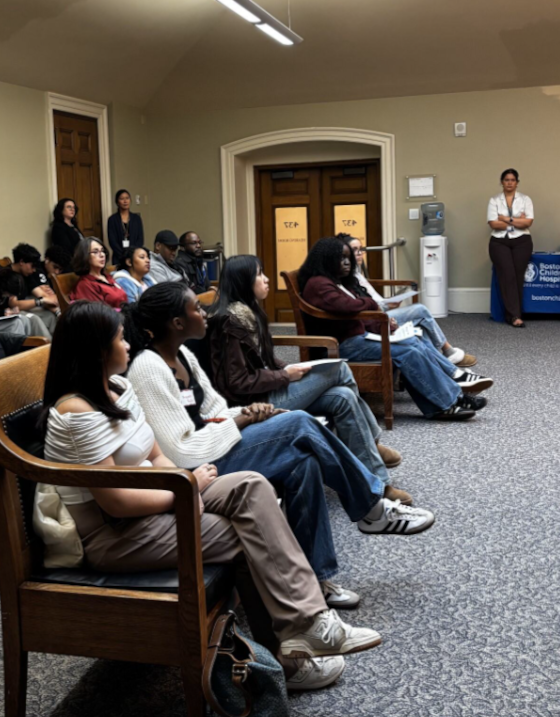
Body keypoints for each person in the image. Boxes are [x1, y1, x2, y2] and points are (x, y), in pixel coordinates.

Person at [43, 301, 386, 691]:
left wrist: (182, 486)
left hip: (155, 501)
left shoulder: (117, 387)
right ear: (97, 350)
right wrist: (184, 490)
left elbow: (155, 454)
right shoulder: (76, 412)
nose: (128, 345)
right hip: (115, 535)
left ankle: (308, 626)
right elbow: (116, 503)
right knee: (249, 532)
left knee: (251, 485)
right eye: (120, 339)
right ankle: (288, 657)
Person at [126, 282, 435, 613]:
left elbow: (215, 410)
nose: (204, 313)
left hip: (215, 447)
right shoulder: (148, 368)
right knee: (299, 422)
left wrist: (250, 413)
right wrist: (240, 422)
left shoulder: (184, 355)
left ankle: (316, 581)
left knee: (304, 464)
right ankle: (371, 507)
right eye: (196, 309)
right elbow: (179, 451)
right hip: (196, 468)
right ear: (177, 323)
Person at [207, 255, 412, 503]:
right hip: (256, 403)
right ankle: (372, 440)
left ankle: (379, 485)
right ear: (243, 281)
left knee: (343, 396)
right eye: (259, 274)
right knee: (340, 370)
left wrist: (289, 368)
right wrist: (285, 375)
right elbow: (237, 383)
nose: (267, 279)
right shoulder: (229, 323)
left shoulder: (249, 313)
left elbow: (264, 360)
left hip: (267, 388)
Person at [297, 238, 490, 421]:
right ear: (326, 259)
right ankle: (449, 402)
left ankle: (445, 403)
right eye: (341, 258)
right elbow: (348, 307)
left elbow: (355, 312)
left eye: (348, 258)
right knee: (407, 351)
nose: (347, 262)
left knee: (414, 342)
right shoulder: (319, 284)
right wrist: (371, 304)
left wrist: (383, 324)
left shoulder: (335, 281)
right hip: (340, 346)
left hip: (356, 339)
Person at [339, 234, 476, 367]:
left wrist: (388, 302)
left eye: (361, 249)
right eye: (354, 250)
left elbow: (372, 298)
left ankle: (436, 361)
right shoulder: (346, 276)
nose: (359, 254)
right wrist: (385, 305)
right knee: (420, 311)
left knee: (421, 326)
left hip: (381, 308)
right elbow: (364, 304)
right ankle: (447, 352)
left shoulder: (356, 272)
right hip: (376, 317)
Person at [487, 169, 534, 328]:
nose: (509, 182)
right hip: (499, 242)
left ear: (517, 183)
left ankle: (513, 314)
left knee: (518, 276)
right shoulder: (494, 200)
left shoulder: (525, 199)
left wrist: (505, 218)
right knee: (508, 276)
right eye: (506, 180)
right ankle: (514, 316)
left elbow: (528, 222)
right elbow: (493, 224)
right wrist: (516, 221)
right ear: (502, 182)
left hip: (522, 241)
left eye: (512, 180)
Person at [7, 243, 59, 335]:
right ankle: (48, 343)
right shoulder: (8, 276)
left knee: (50, 316)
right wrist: (40, 301)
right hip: (11, 311)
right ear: (21, 262)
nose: (34, 270)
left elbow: (42, 294)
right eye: (32, 266)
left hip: (24, 307)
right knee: (34, 319)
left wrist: (57, 311)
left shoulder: (27, 274)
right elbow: (13, 304)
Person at [68, 238, 128, 310]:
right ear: (84, 256)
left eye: (102, 251)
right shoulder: (85, 285)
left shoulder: (107, 277)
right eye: (95, 252)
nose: (102, 255)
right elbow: (98, 313)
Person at [106, 189, 144, 268]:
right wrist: (123, 256)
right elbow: (112, 241)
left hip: (134, 257)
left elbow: (140, 239)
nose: (125, 201)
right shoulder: (112, 219)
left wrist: (133, 254)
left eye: (127, 198)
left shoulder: (136, 218)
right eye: (122, 199)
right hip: (118, 257)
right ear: (117, 202)